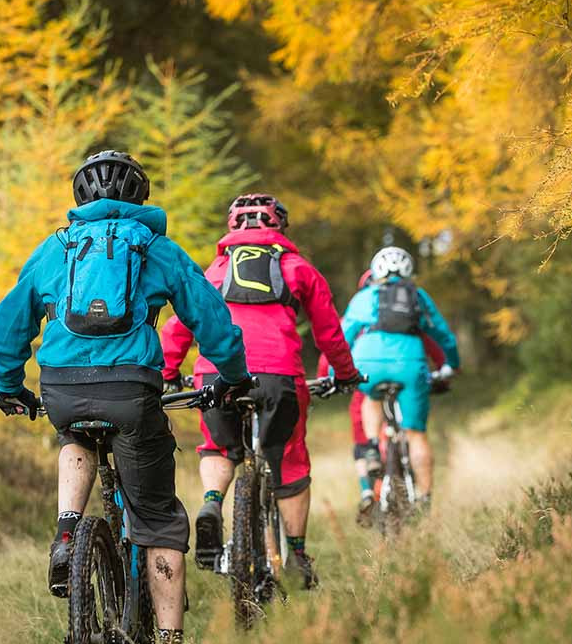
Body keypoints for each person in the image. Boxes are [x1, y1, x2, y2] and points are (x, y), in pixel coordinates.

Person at [0, 149, 251, 644]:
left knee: (75, 438)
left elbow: (7, 323)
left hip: (62, 387)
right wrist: (234, 376)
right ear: (139, 198)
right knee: (157, 520)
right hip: (131, 391)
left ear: (79, 199)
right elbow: (210, 317)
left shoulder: (55, 249)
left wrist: (10, 385)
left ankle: (67, 532)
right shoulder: (156, 247)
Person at [160, 193, 362, 589]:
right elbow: (328, 332)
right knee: (289, 460)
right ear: (279, 227)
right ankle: (298, 556)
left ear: (232, 228)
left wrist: (168, 370)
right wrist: (345, 373)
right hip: (279, 377)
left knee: (218, 449)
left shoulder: (214, 271)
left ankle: (213, 504)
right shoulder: (298, 268)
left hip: (216, 377)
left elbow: (182, 324)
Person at [318, 268, 448, 522]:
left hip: (365, 382)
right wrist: (445, 369)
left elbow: (332, 348)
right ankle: (421, 496)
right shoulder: (411, 315)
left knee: (363, 436)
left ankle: (367, 489)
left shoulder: (358, 313)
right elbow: (436, 345)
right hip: (408, 374)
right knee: (414, 433)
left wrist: (330, 376)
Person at [341, 245, 460, 516]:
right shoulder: (417, 296)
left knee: (371, 398)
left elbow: (343, 334)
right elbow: (442, 334)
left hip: (369, 362)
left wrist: (339, 372)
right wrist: (452, 363)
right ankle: (424, 498)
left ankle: (372, 447)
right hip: (410, 364)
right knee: (416, 434)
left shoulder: (365, 296)